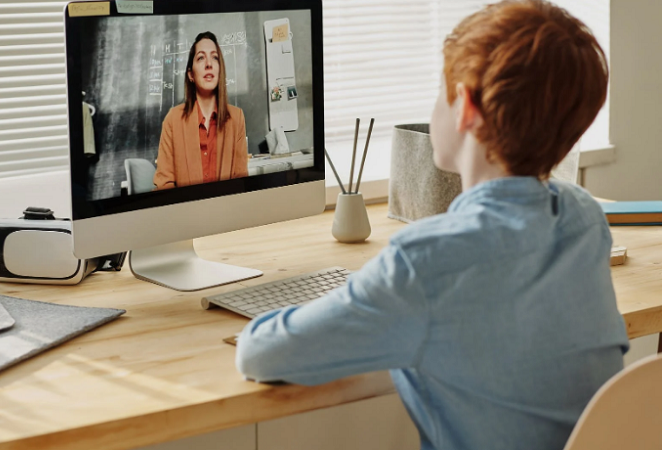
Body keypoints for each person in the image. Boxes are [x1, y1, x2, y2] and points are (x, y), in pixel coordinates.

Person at [235, 2, 629, 450]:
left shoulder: (424, 263)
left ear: (466, 107)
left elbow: (260, 353)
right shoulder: (582, 218)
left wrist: (360, 298)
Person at [153, 32, 248, 190]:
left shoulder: (236, 118)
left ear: (220, 70)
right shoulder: (173, 120)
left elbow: (241, 182)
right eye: (201, 58)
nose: (209, 64)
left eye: (215, 57)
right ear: (190, 74)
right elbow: (165, 185)